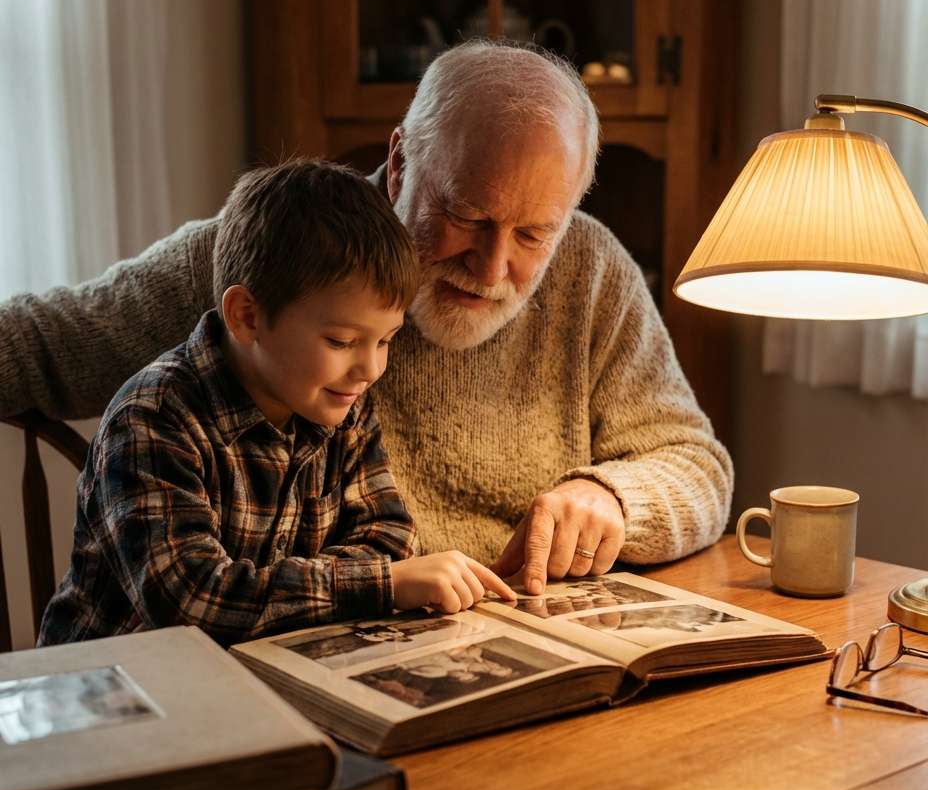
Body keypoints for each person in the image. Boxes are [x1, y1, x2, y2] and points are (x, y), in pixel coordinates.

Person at [1, 42, 733, 595]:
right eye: (467, 216)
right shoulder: (277, 254)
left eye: (534, 234)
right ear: (400, 162)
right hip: (304, 654)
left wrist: (612, 497)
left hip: (517, 642)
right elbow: (34, 346)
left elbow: (697, 463)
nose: (491, 267)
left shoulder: (592, 269)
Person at [38, 160, 514, 648]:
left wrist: (314, 586)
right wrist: (376, 585)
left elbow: (388, 537)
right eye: (341, 341)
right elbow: (192, 601)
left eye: (385, 340)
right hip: (123, 680)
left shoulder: (342, 405)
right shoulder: (153, 418)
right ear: (247, 317)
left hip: (257, 665)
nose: (370, 369)